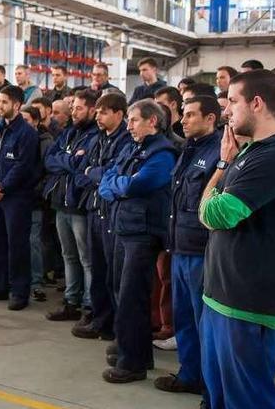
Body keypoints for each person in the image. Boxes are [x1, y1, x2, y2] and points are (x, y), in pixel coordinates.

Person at [198, 70, 275, 409]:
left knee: (247, 400)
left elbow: (214, 214)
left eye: (232, 102)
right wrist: (225, 165)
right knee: (219, 397)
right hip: (221, 296)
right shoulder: (251, 152)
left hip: (246, 305)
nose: (226, 111)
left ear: (257, 103)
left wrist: (218, 171)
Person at [99, 99, 178, 383]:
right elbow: (108, 176)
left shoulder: (163, 154)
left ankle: (132, 364)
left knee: (133, 297)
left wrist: (119, 185)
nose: (128, 125)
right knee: (121, 291)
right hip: (125, 229)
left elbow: (136, 184)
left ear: (152, 122)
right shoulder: (134, 147)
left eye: (133, 120)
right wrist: (119, 184)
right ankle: (135, 349)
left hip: (142, 234)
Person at [151, 95, 221, 395]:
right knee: (184, 320)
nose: (184, 120)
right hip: (179, 247)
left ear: (210, 119)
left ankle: (209, 385)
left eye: (191, 115)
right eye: (185, 115)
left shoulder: (220, 153)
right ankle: (190, 374)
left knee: (202, 322)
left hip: (201, 251)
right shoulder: (188, 150)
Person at [71, 92, 132, 341]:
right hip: (93, 209)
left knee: (112, 273)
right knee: (97, 268)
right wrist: (93, 172)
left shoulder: (125, 141)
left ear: (119, 114)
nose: (98, 116)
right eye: (96, 112)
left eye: (104, 112)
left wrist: (93, 172)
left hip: (111, 212)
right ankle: (100, 319)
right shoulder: (98, 139)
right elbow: (79, 171)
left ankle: (115, 326)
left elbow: (111, 174)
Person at [0, 85, 40, 309]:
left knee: (17, 246)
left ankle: (19, 292)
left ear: (16, 104)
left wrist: (2, 187)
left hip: (16, 198)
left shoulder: (27, 134)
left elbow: (23, 166)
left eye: (4, 102)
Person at [44, 89, 99, 322]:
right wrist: (70, 160)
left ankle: (89, 305)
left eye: (78, 108)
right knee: (69, 256)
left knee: (86, 258)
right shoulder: (68, 133)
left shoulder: (95, 137)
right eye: (73, 107)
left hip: (79, 206)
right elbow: (50, 159)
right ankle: (71, 301)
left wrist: (67, 161)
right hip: (61, 204)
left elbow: (83, 166)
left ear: (92, 110)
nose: (73, 112)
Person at [20, 105, 54, 302]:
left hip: (34, 200)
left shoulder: (45, 142)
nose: (22, 124)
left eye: (26, 120)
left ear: (36, 121)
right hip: (16, 199)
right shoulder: (15, 136)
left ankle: (36, 283)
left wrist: (34, 190)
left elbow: (46, 171)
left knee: (33, 242)